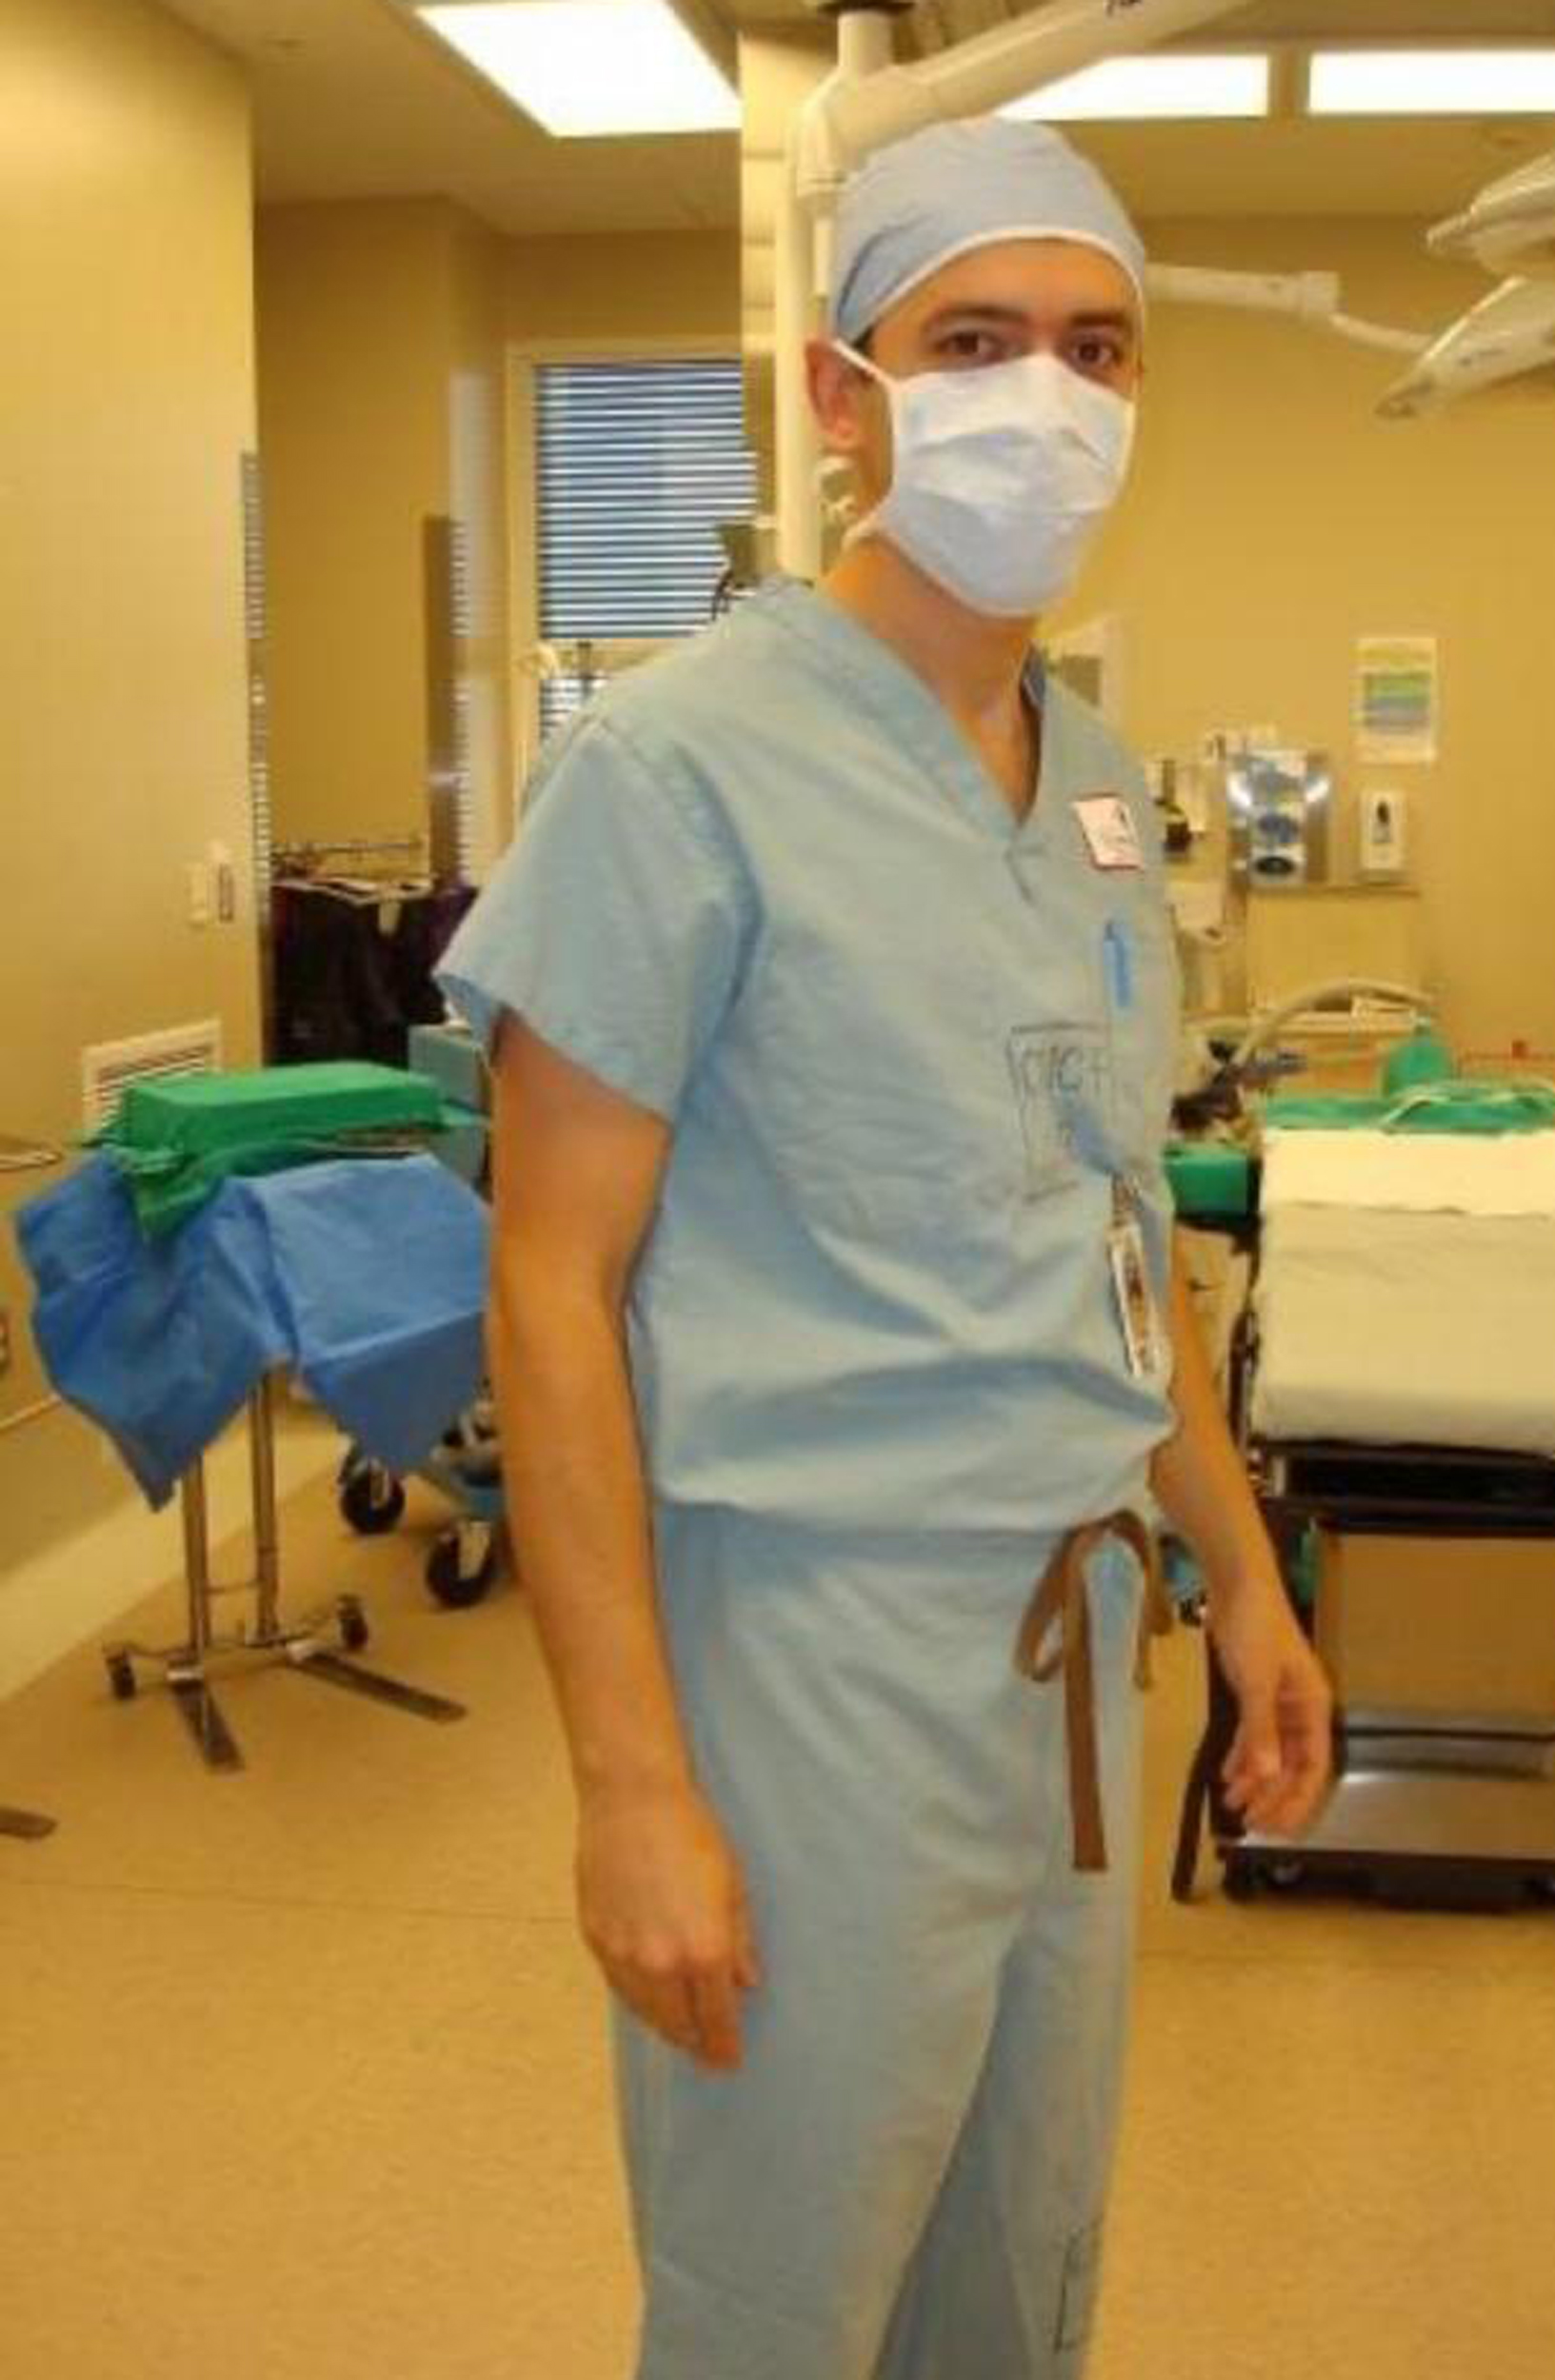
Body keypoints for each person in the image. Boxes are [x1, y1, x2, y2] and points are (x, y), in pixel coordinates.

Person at [437, 113, 1331, 2380]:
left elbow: (1113, 1212)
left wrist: (1237, 1569)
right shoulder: (674, 771)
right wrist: (630, 1784)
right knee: (787, 2284)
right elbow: (548, 1290)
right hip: (812, 1645)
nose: (1045, 394)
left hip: (1073, 1636)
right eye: (975, 340)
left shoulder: (1095, 779)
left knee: (1016, 2261)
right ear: (844, 397)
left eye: (1095, 349)